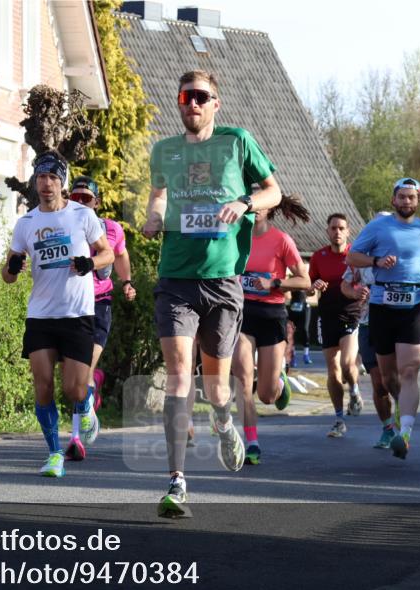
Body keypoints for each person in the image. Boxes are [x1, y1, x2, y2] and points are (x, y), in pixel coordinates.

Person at [142, 69, 281, 518]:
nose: (193, 104)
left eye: (201, 97)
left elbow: (272, 192)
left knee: (218, 386)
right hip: (176, 277)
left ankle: (223, 421)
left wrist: (245, 203)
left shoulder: (237, 141)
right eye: (186, 96)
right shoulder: (164, 150)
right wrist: (152, 216)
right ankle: (176, 480)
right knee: (180, 376)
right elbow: (158, 196)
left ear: (215, 103)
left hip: (222, 281)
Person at [3, 151, 113, 477]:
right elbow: (8, 275)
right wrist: (11, 266)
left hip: (77, 314)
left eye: (52, 177)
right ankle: (54, 454)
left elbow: (107, 252)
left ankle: (85, 406)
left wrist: (90, 263)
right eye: (41, 177)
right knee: (43, 385)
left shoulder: (82, 216)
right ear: (35, 182)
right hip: (40, 316)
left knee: (74, 390)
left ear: (62, 182)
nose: (46, 184)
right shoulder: (26, 223)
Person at [346, 178, 420, 460]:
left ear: (418, 200)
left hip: (414, 304)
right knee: (388, 377)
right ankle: (400, 406)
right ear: (393, 200)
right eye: (401, 197)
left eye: (411, 197)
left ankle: (406, 434)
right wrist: (376, 262)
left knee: (410, 371)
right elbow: (353, 257)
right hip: (382, 305)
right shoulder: (378, 227)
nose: (406, 202)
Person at [62, 176, 137, 461]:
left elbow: (120, 255)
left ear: (97, 203)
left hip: (99, 304)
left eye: (87, 199)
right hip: (69, 305)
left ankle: (76, 439)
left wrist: (127, 282)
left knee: (81, 372)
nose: (81, 203)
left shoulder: (112, 229)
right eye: (76, 198)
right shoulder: (62, 224)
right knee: (71, 377)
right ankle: (95, 381)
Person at [231, 195, 310, 465]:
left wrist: (275, 283)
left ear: (271, 207)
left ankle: (278, 383)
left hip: (272, 315)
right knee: (242, 378)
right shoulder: (235, 235)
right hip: (242, 313)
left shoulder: (282, 240)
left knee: (266, 395)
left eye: (261, 203)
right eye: (250, 203)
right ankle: (251, 443)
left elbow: (304, 280)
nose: (255, 209)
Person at [308, 213, 364, 438]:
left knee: (347, 362)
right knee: (332, 370)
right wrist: (314, 284)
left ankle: (355, 392)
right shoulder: (318, 256)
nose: (337, 232)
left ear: (348, 231)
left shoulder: (356, 256)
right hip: (327, 316)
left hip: (351, 314)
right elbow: (308, 287)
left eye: (341, 228)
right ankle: (339, 419)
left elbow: (365, 281)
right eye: (333, 228)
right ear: (327, 231)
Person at [341, 264, 396, 449]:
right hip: (368, 324)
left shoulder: (397, 252)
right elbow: (345, 284)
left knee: (392, 380)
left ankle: (404, 414)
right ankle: (388, 428)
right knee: (379, 383)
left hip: (394, 322)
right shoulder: (361, 255)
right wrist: (355, 293)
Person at [286, 289, 312, 367]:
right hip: (293, 306)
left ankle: (306, 354)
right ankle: (293, 357)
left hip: (304, 306)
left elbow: (311, 292)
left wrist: (311, 290)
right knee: (291, 332)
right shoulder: (291, 278)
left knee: (305, 329)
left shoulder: (307, 278)